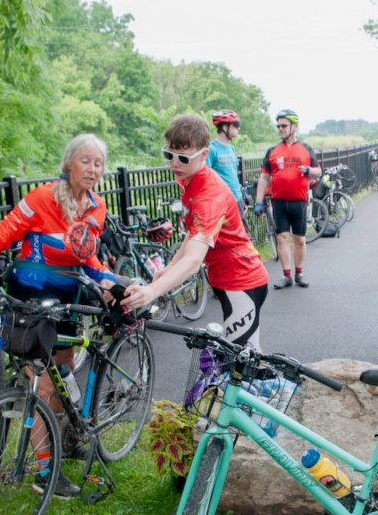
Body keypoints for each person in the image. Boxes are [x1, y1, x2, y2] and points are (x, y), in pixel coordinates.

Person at [0, 133, 117, 499]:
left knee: (61, 376)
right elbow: (3, 233)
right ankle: (46, 473)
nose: (93, 169)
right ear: (69, 163)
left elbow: (85, 255)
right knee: (41, 386)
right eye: (86, 161)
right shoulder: (42, 198)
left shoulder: (96, 206)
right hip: (30, 300)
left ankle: (63, 439)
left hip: (68, 300)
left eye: (98, 163)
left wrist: (106, 279)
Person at [123, 114, 269, 347]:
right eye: (169, 155)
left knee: (243, 361)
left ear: (204, 154)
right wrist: (168, 269)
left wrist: (151, 292)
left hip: (241, 278)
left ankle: (281, 383)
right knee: (242, 357)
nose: (174, 164)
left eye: (182, 157)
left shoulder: (209, 196)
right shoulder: (190, 178)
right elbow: (193, 235)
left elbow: (193, 261)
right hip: (225, 276)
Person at [253, 109, 320, 289]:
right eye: (278, 126)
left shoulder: (306, 149)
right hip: (279, 201)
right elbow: (264, 178)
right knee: (282, 238)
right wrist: (258, 201)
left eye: (284, 126)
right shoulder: (273, 151)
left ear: (294, 126)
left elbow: (318, 171)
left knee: (299, 239)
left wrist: (309, 171)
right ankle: (286, 275)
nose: (280, 129)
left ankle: (299, 273)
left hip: (299, 201)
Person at [207, 110, 243, 205]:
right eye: (235, 124)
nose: (238, 128)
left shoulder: (231, 148)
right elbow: (205, 177)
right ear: (225, 127)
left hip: (237, 198)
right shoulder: (212, 149)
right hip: (222, 202)